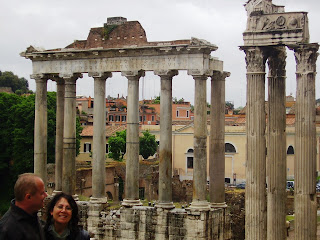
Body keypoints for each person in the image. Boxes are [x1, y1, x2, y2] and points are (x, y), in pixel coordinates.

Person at [0, 173, 47, 240]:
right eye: (42, 193)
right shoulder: (7, 229)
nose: (46, 195)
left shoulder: (32, 216)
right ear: (28, 197)